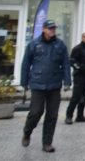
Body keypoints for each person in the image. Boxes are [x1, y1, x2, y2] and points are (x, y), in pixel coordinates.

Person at [20, 19, 71, 153]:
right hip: (38, 83)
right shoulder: (34, 44)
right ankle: (27, 131)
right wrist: (24, 82)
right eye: (50, 28)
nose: (52, 30)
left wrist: (67, 81)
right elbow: (26, 63)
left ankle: (47, 143)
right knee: (36, 112)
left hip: (54, 84)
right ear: (43, 29)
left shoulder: (60, 45)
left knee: (52, 115)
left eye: (54, 28)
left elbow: (66, 63)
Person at [65, 31, 85, 124]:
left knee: (84, 97)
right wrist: (80, 68)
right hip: (79, 76)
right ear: (82, 38)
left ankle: (80, 115)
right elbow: (72, 61)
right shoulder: (77, 49)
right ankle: (69, 116)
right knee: (76, 97)